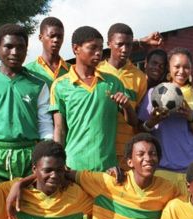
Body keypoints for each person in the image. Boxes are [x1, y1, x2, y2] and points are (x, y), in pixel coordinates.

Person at [0, 24, 53, 184]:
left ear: (26, 50)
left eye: (20, 47)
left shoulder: (38, 84)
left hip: (28, 155)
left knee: (29, 206)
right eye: (8, 46)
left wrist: (45, 158)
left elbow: (45, 124)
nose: (15, 52)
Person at [51, 26, 137, 172]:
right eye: (92, 48)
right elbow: (59, 129)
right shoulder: (60, 85)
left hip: (108, 168)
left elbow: (133, 122)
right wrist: (58, 161)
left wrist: (127, 106)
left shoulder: (113, 82)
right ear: (76, 48)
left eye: (100, 48)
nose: (98, 53)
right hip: (74, 167)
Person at [139, 47, 193, 194]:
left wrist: (191, 118)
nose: (181, 71)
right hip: (163, 168)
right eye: (177, 66)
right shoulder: (155, 93)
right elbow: (141, 129)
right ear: (169, 68)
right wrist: (153, 120)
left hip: (192, 168)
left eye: (186, 67)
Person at [97, 23, 151, 169]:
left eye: (128, 45)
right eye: (120, 44)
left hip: (126, 150)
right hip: (99, 149)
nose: (124, 49)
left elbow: (139, 118)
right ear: (109, 44)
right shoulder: (97, 71)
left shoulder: (139, 77)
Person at [25, 17, 70, 87]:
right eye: (52, 36)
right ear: (40, 37)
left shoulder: (72, 71)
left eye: (60, 37)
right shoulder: (28, 71)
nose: (56, 40)